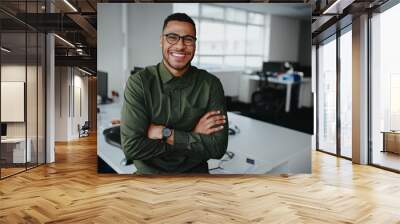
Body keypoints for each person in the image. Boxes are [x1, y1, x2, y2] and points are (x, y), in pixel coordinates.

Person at [120, 13, 228, 174]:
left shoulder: (210, 84)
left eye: (188, 39)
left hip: (196, 177)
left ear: (195, 44)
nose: (180, 46)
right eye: (172, 37)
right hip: (149, 177)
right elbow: (132, 148)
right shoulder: (139, 83)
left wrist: (165, 133)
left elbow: (217, 148)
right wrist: (192, 136)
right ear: (161, 40)